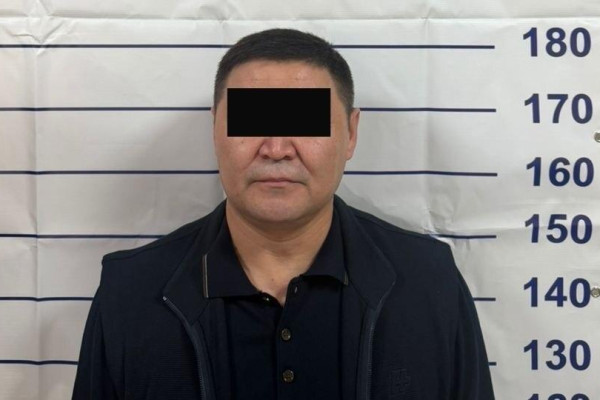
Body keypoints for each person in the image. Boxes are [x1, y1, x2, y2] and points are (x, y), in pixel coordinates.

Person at [71, 27, 495, 400]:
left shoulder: (429, 283)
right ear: (214, 128)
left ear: (351, 134)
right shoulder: (130, 292)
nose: (276, 149)